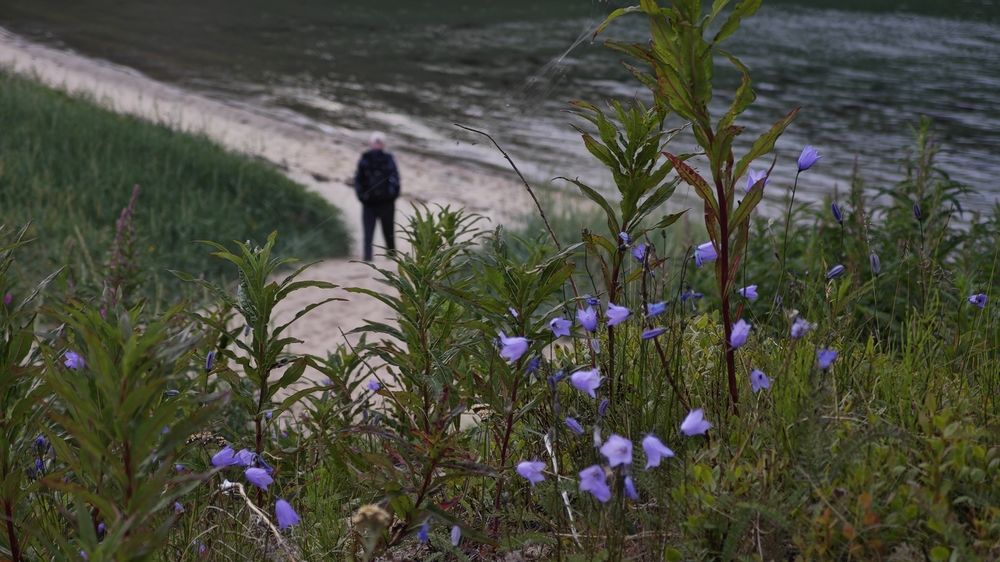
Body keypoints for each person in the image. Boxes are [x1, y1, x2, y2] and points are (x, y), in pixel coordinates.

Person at [353, 132, 400, 261]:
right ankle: (368, 258)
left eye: (380, 142)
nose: (377, 144)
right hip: (369, 203)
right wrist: (361, 196)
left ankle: (391, 256)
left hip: (387, 203)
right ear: (371, 143)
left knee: (389, 232)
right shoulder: (365, 158)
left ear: (383, 144)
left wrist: (392, 196)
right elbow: (358, 180)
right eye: (375, 142)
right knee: (368, 233)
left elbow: (395, 179)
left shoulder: (389, 159)